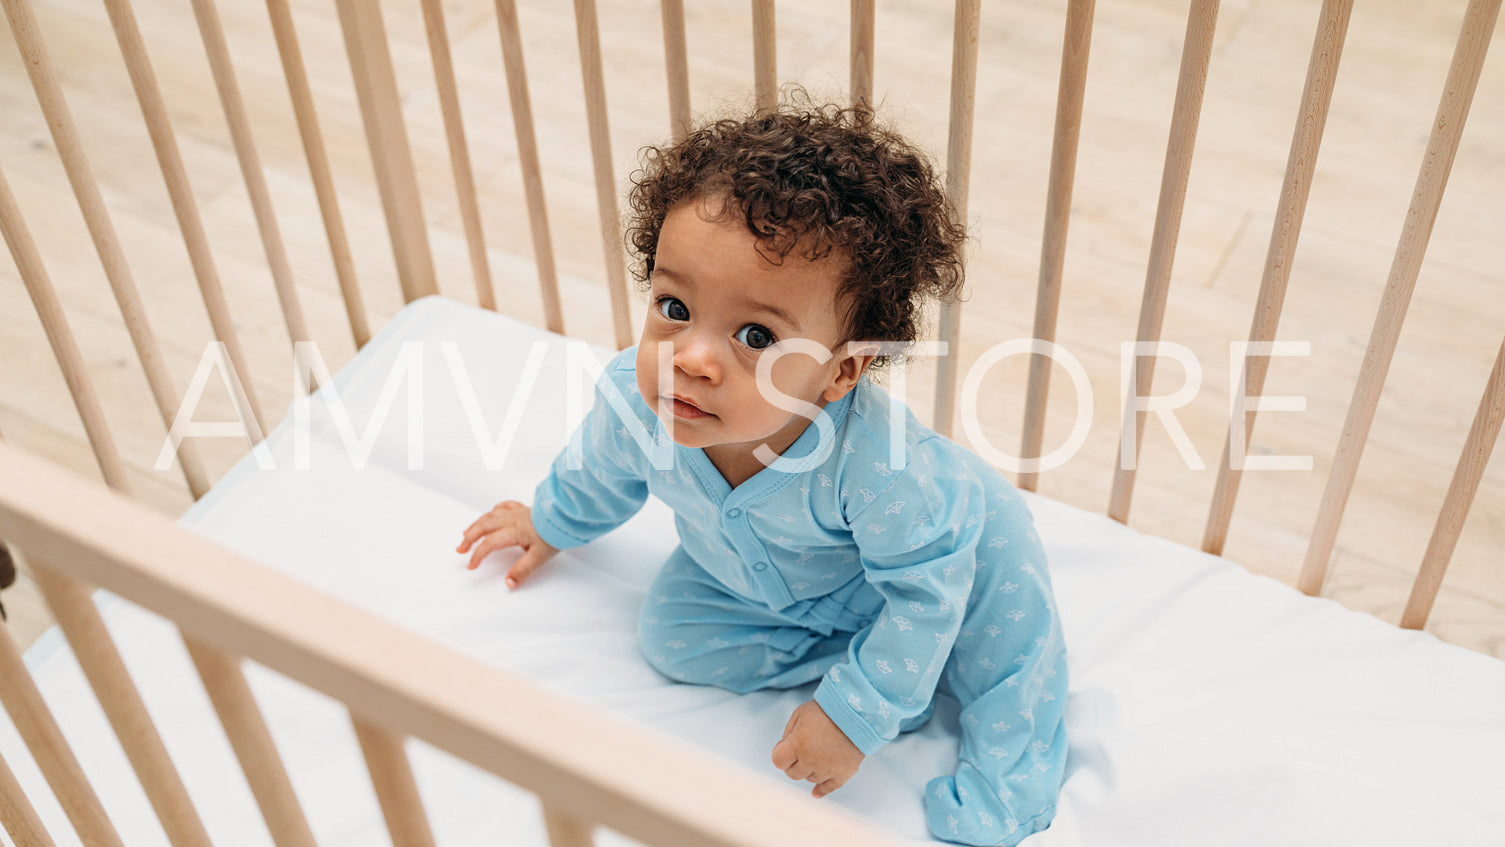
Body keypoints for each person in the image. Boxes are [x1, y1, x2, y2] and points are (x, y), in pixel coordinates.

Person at [457, 99, 1068, 846]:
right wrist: (548, 520)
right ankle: (885, 660)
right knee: (670, 638)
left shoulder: (883, 471)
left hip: (955, 557)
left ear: (840, 372)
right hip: (784, 590)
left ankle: (1003, 780)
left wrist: (855, 710)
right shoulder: (637, 402)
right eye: (673, 305)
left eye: (754, 335)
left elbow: (921, 594)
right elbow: (598, 469)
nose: (691, 356)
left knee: (1006, 657)